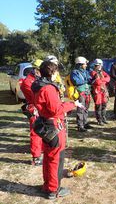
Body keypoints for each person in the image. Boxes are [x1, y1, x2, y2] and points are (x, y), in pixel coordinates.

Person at [31, 61, 84, 199]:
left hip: (46, 124)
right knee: (56, 159)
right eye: (56, 72)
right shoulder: (48, 89)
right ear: (52, 73)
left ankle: (47, 185)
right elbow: (56, 109)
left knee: (48, 158)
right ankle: (54, 190)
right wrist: (73, 104)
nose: (57, 74)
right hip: (53, 126)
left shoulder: (38, 86)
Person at [20, 59, 44, 166]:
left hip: (41, 107)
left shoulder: (39, 79)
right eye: (40, 70)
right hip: (34, 108)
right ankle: (36, 157)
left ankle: (42, 149)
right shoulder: (28, 82)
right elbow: (36, 97)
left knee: (43, 130)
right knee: (35, 133)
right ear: (35, 69)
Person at [70, 56, 92, 132]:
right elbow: (76, 81)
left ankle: (85, 123)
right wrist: (86, 81)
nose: (86, 65)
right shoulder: (74, 72)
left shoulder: (85, 71)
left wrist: (89, 80)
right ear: (80, 64)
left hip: (87, 91)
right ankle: (80, 125)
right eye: (85, 64)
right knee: (81, 109)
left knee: (86, 108)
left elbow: (89, 79)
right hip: (80, 92)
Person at [90, 59, 110, 125]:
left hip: (103, 91)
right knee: (98, 106)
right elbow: (97, 82)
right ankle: (99, 120)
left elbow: (108, 78)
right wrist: (103, 80)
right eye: (98, 65)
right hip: (97, 91)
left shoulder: (102, 72)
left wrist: (102, 79)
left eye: (99, 65)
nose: (99, 66)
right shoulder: (93, 72)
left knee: (104, 104)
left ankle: (103, 118)